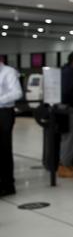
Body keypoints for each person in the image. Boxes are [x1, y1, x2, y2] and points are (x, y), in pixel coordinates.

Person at [0, 61, 23, 197]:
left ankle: (8, 184)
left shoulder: (8, 72)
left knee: (4, 148)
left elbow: (17, 93)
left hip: (4, 113)